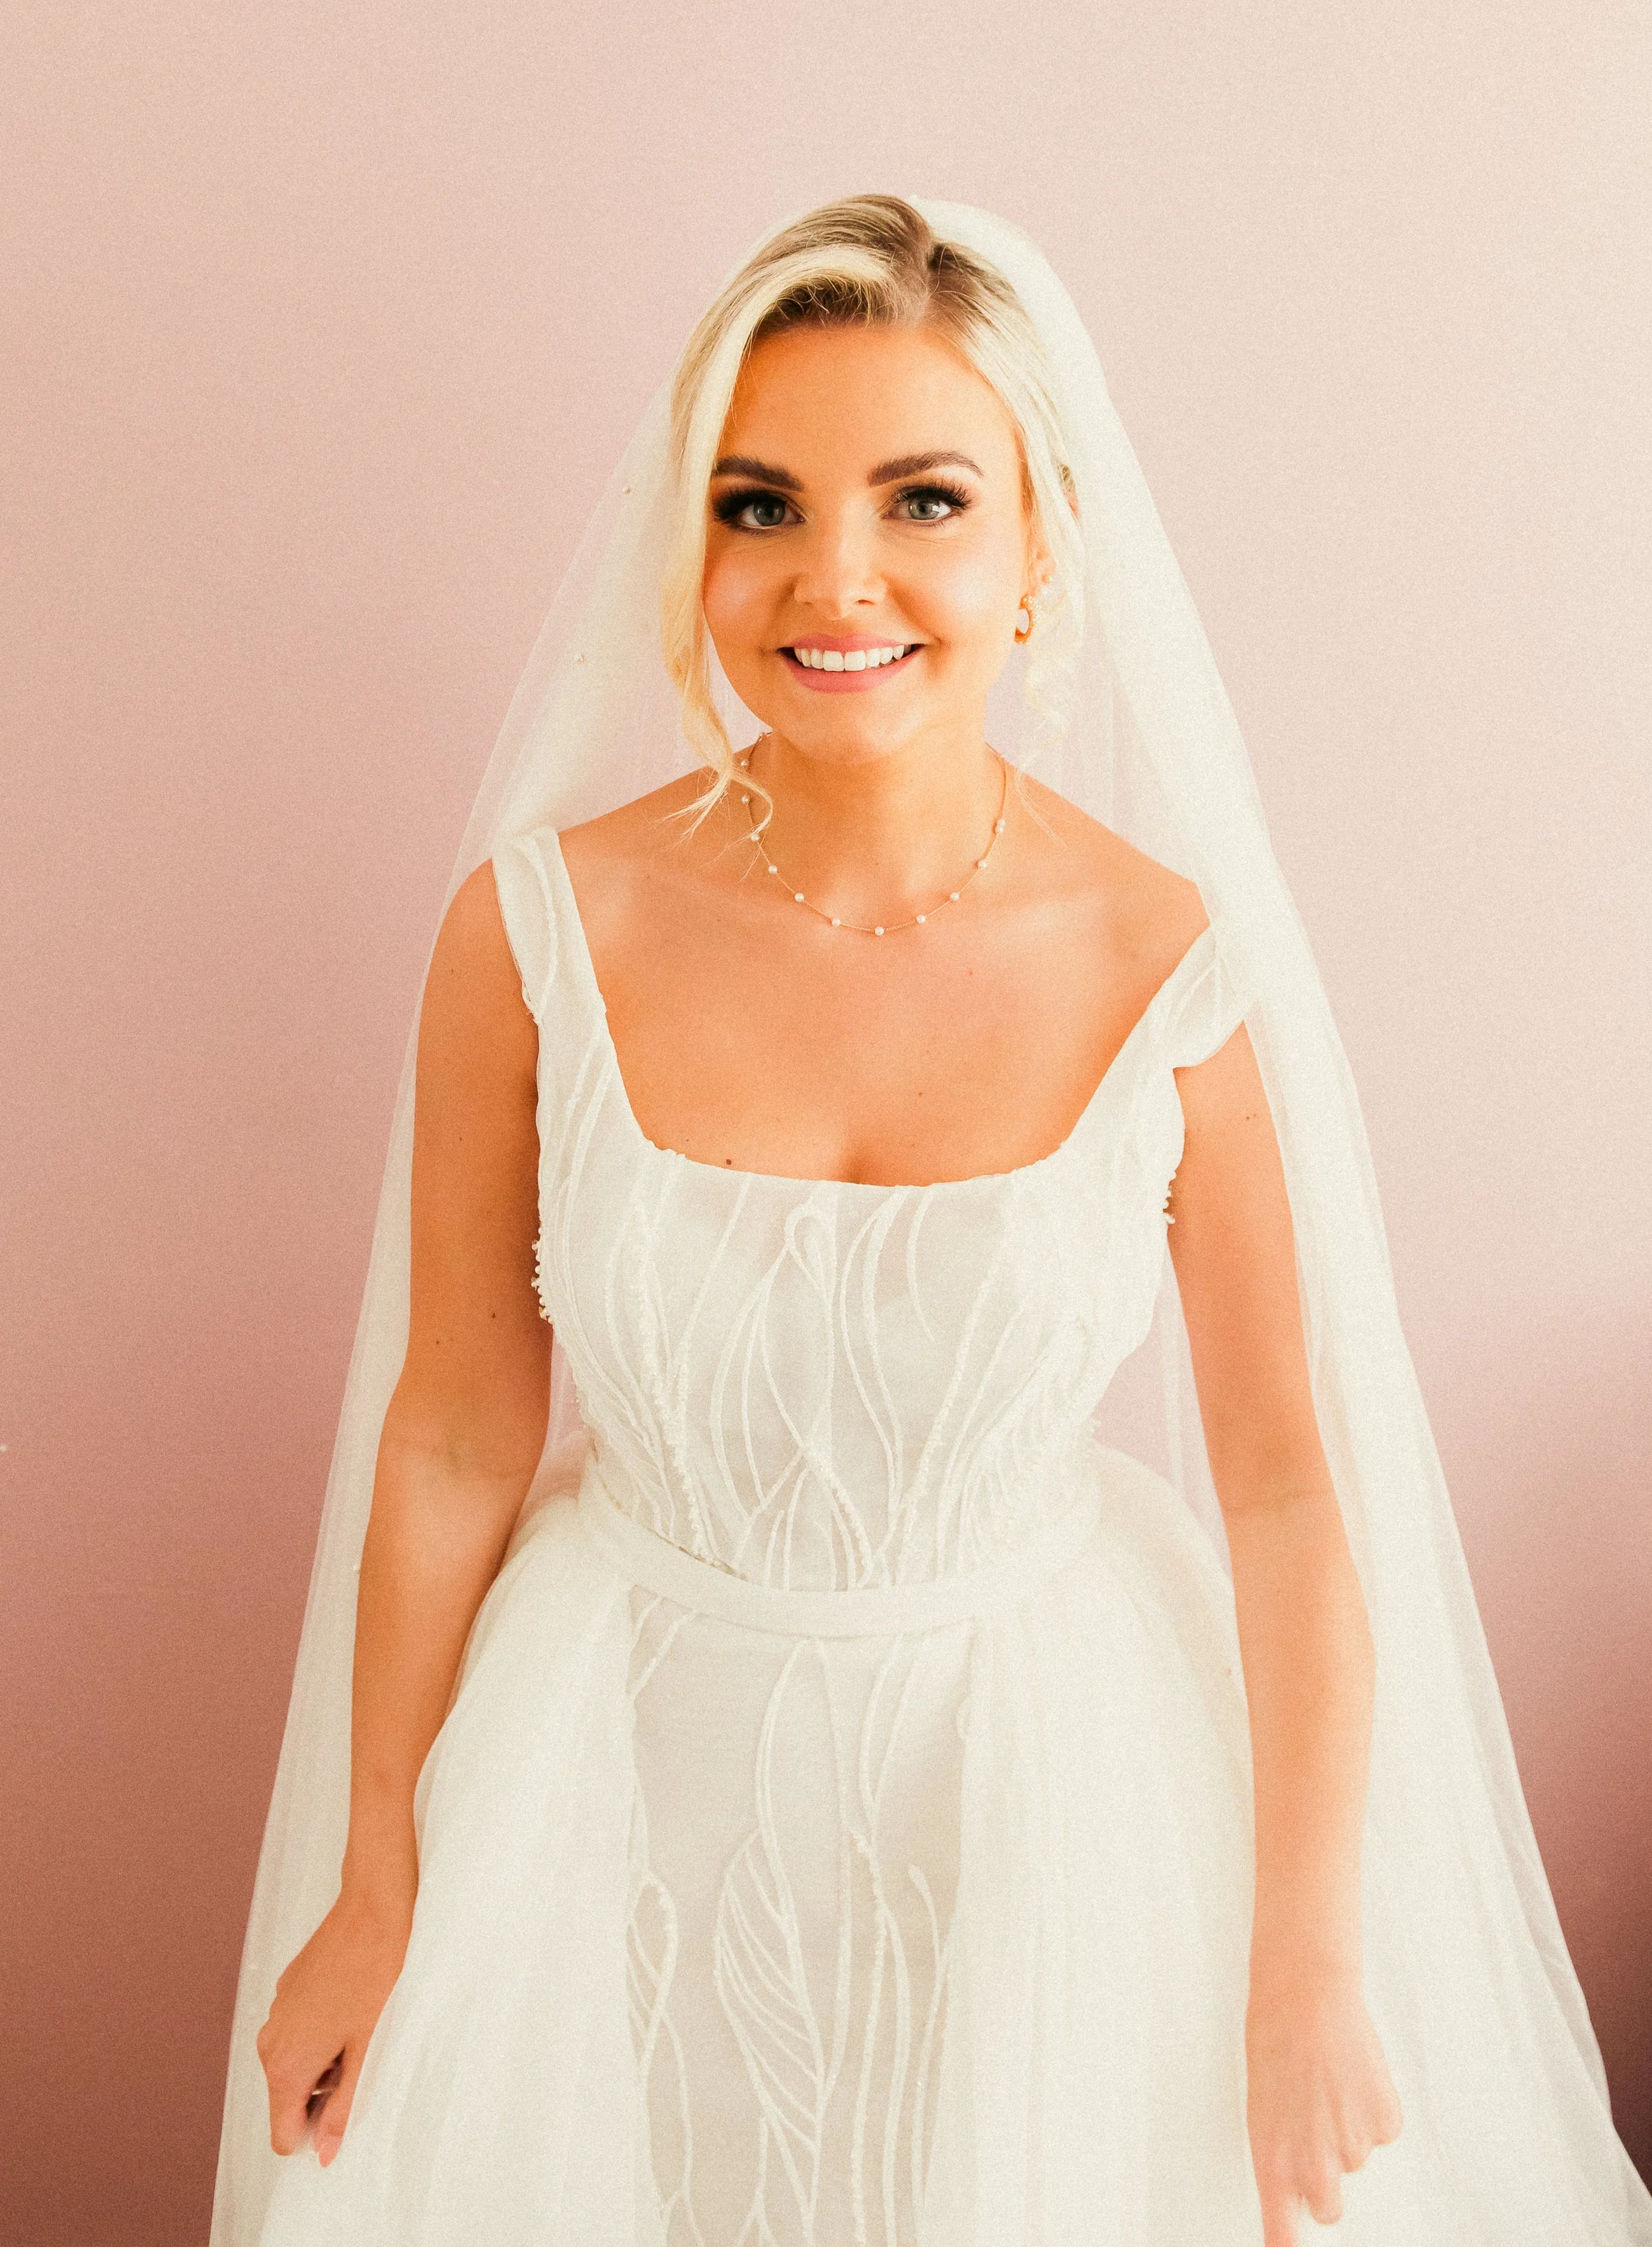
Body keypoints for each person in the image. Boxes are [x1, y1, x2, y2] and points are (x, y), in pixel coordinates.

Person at [214, 198, 1652, 2246]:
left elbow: (1278, 1488)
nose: (837, 578)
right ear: (688, 543)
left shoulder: (1170, 964)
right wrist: (375, 1872)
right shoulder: (534, 934)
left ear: (1040, 541)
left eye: (923, 498)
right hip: (612, 1769)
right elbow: (453, 1430)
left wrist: (1303, 1953)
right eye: (759, 503)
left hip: (1049, 1789)